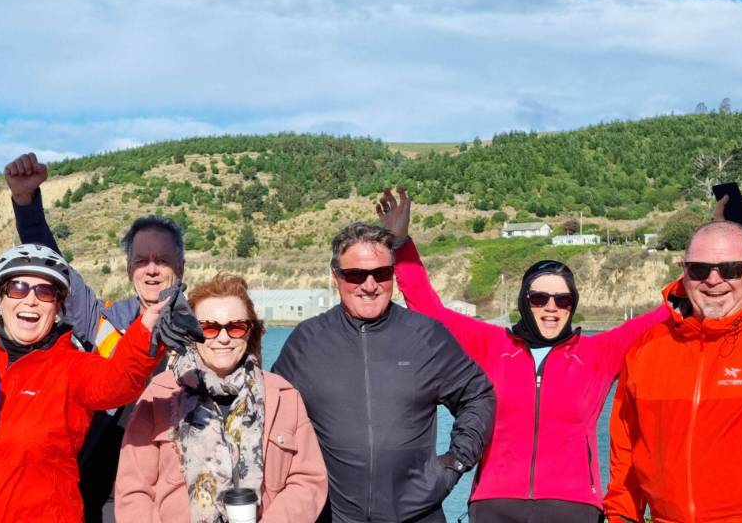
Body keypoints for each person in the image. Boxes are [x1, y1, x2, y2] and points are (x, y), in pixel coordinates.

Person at [380, 187, 669, 523]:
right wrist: (401, 245)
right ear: (524, 301)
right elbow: (430, 312)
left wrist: (724, 246)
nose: (551, 308)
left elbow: (667, 314)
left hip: (572, 506)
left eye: (563, 300)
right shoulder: (490, 344)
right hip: (495, 504)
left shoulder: (596, 352)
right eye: (539, 298)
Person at [3, 152, 190, 522]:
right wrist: (26, 204)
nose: (151, 270)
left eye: (162, 261)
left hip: (173, 490)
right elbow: (56, 271)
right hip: (100, 491)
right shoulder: (103, 321)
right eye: (141, 260)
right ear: (128, 269)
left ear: (180, 268)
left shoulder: (207, 331)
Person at [271, 221, 495, 523]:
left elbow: (477, 395)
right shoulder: (307, 341)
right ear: (335, 276)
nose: (369, 285)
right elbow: (274, 416)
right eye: (356, 275)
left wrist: (455, 463)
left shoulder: (426, 336)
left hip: (418, 514)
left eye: (382, 273)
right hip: (332, 516)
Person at [0, 243, 185, 522]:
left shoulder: (71, 367)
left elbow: (118, 380)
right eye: (18, 288)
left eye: (45, 292)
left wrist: (146, 328)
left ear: (58, 306)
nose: (31, 300)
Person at [608, 216, 742, 523]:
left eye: (731, 269)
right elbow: (624, 451)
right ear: (683, 271)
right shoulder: (646, 349)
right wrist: (622, 517)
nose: (713, 280)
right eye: (699, 269)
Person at [117, 273, 329, 523]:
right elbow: (133, 490)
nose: (223, 337)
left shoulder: (283, 397)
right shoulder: (160, 395)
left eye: (236, 327)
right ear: (191, 332)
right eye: (209, 328)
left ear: (250, 332)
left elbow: (307, 480)